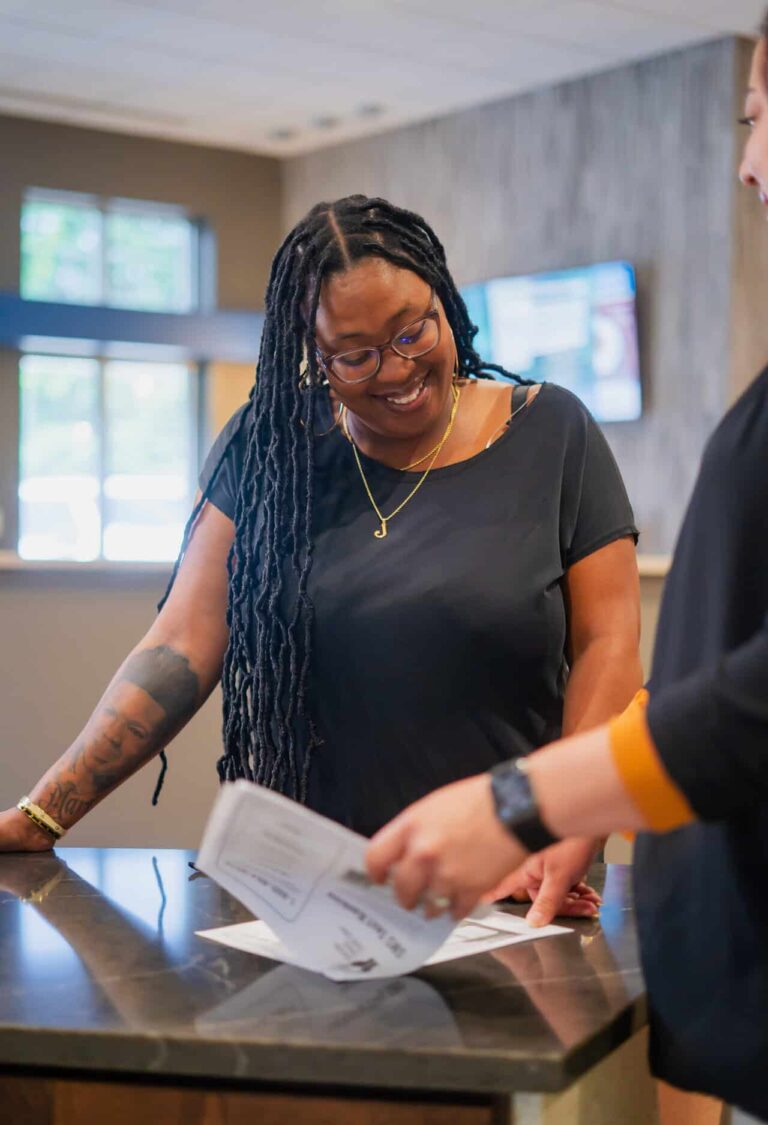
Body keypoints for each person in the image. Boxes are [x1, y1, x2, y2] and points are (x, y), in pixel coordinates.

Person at [0, 195, 641, 921]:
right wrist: (42, 816)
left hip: (504, 881)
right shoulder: (269, 449)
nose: (395, 371)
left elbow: (609, 645)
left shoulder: (552, 432)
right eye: (355, 354)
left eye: (412, 332)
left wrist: (551, 821)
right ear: (311, 352)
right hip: (310, 892)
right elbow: (180, 646)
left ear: (442, 297)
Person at [366, 20, 768, 1125]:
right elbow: (719, 665)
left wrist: (531, 797)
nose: (746, 162)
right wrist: (606, 790)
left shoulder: (555, 433)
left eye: (754, 118)